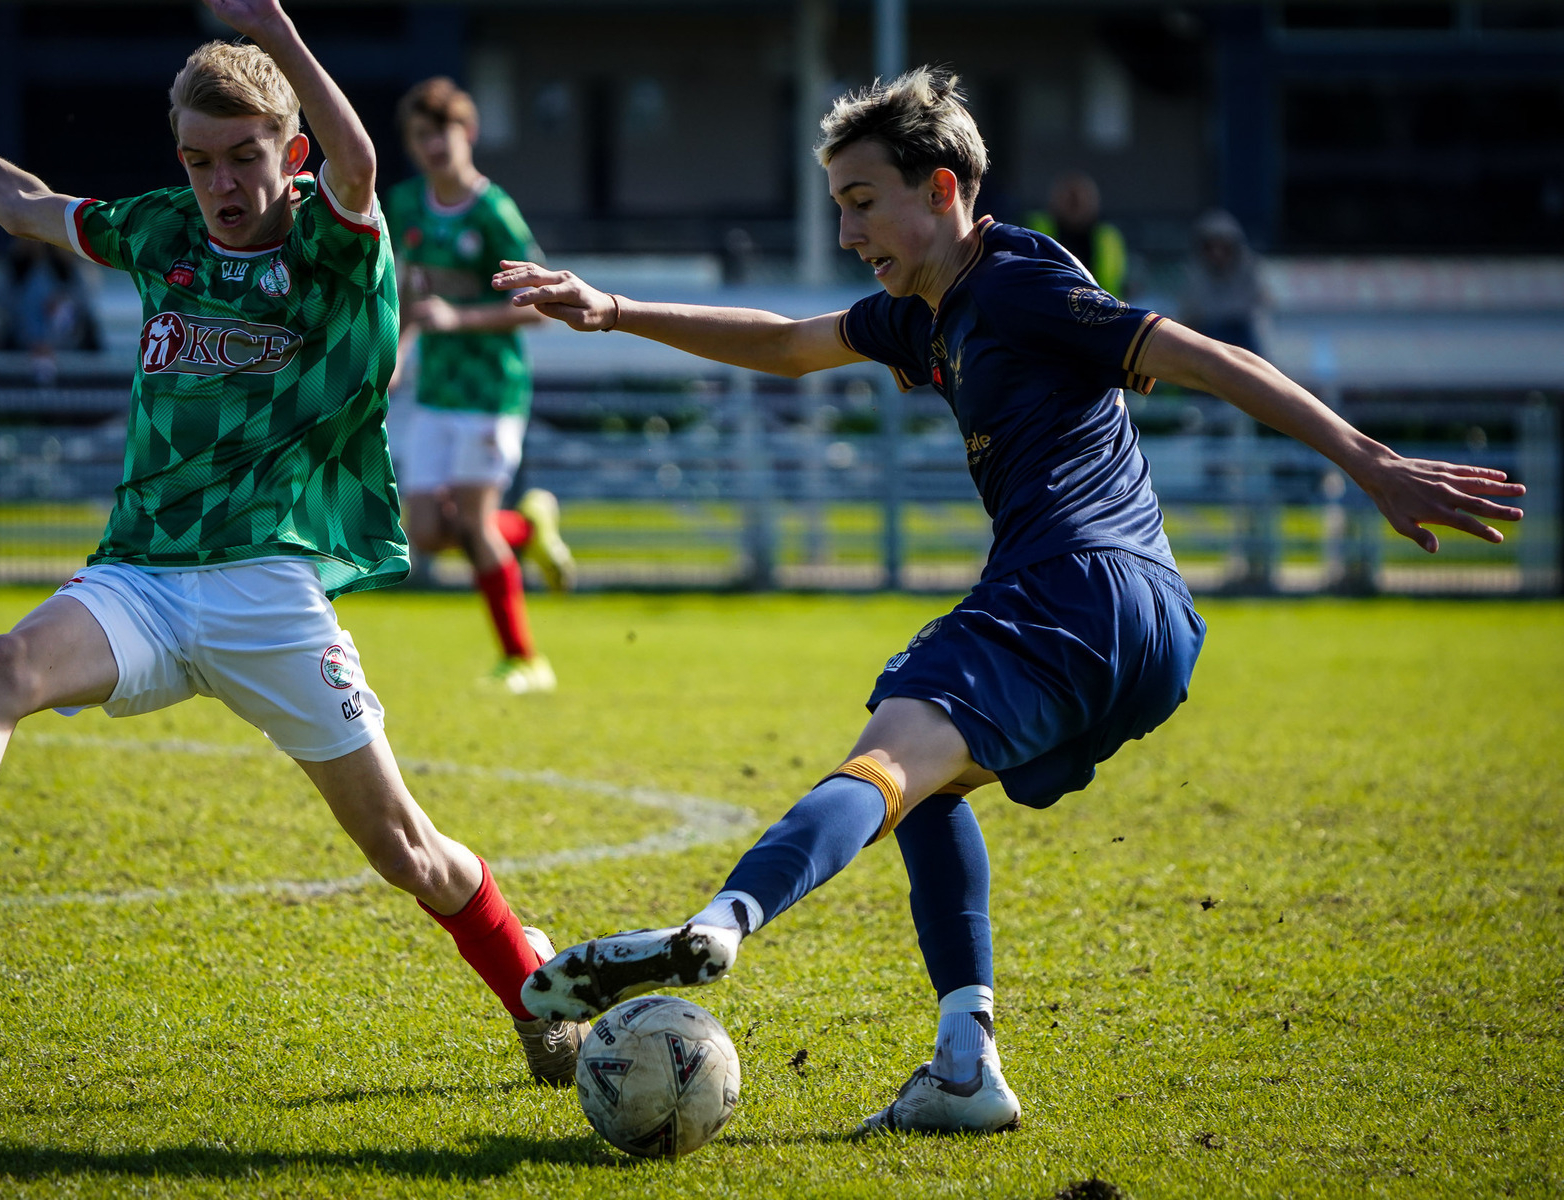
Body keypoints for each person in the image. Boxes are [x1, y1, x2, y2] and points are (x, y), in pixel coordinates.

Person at [494, 68, 1524, 1134]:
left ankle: (724, 919)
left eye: (860, 202)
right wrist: (611, 311)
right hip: (1143, 626)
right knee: (922, 783)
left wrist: (1370, 461)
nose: (847, 232)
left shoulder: (1019, 280)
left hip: (1073, 590)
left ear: (941, 191)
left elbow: (1200, 356)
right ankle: (964, 1063)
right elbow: (790, 345)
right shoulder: (922, 311)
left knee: (888, 757)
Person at [0, 0, 584, 1088]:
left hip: (271, 586)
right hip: (144, 576)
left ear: (287, 151)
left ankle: (530, 980)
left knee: (406, 850)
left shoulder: (332, 238)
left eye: (247, 155)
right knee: (7, 665)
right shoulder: (162, 229)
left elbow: (355, 162)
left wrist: (279, 31)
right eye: (202, 160)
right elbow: (30, 209)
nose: (223, 182)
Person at [385, 76, 574, 695]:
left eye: (442, 131)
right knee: (426, 535)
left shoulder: (493, 211)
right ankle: (530, 525)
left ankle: (525, 660)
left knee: (471, 520)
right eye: (421, 135)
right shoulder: (408, 204)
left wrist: (460, 318)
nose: (433, 145)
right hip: (435, 390)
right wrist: (398, 356)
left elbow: (539, 305)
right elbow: (410, 297)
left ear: (466, 134)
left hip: (491, 390)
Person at [0, 237, 102, 380]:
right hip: (22, 349)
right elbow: (6, 309)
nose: (37, 244)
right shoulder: (17, 273)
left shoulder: (75, 275)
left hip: (68, 351)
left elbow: (80, 312)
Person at [1178, 208, 1265, 355]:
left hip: (1241, 332)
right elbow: (1191, 311)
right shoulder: (1195, 273)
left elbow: (1257, 303)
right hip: (1208, 333)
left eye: (1222, 247)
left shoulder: (1247, 269)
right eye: (1211, 247)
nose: (1217, 253)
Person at [1027, 171, 1127, 297]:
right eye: (1070, 199)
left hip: (1098, 309)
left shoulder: (1107, 238)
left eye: (1082, 199)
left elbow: (1115, 281)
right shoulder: (1037, 229)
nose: (1076, 205)